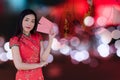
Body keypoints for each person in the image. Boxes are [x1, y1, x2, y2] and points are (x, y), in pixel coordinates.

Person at [9, 9, 56, 80]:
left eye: (32, 21)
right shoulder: (15, 40)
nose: (29, 23)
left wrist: (51, 40)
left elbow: (43, 58)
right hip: (23, 78)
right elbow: (19, 65)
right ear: (21, 20)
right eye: (26, 20)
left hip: (38, 77)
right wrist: (39, 65)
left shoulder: (38, 36)